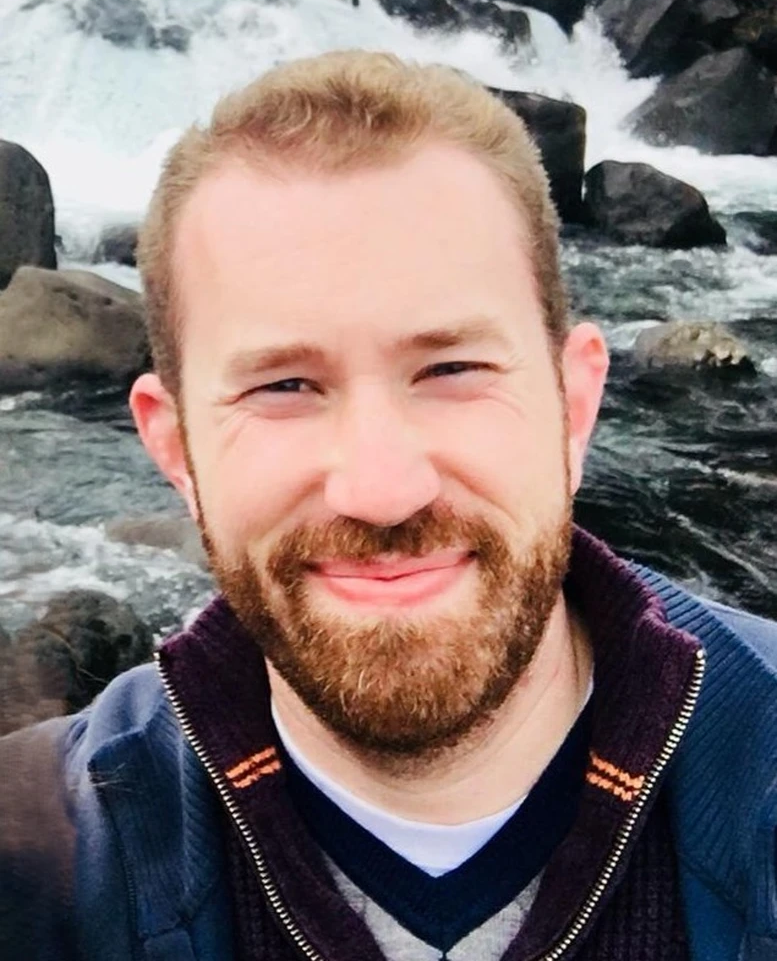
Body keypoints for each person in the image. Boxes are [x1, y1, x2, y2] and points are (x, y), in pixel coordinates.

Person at [1, 51, 776, 961]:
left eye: (450, 370)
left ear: (573, 405)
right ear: (173, 446)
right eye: (284, 385)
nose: (380, 487)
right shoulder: (39, 857)